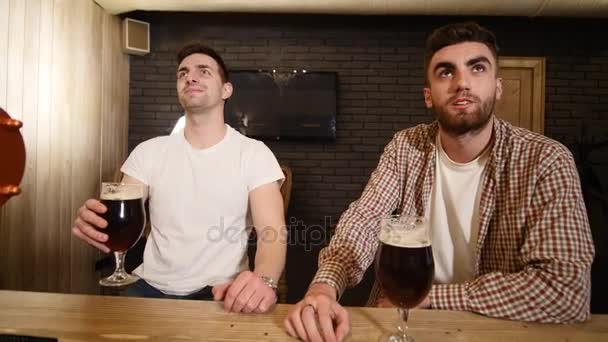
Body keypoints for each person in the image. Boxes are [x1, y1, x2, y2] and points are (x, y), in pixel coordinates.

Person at [285, 21, 595, 341]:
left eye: (476, 68)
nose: (462, 82)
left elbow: (566, 291)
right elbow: (364, 219)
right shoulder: (406, 146)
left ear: (497, 87)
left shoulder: (546, 160)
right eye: (446, 72)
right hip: (402, 324)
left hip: (500, 329)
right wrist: (324, 285)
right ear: (428, 96)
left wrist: (432, 297)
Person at [72, 42, 286, 314]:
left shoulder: (254, 154)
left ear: (226, 90)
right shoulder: (149, 152)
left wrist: (264, 279)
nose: (190, 77)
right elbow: (120, 220)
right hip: (148, 287)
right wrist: (96, 224)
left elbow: (272, 231)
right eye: (182, 73)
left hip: (221, 292)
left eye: (203, 71)